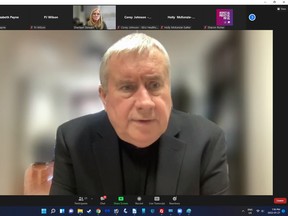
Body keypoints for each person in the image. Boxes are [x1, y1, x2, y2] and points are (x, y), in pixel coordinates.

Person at [50, 33, 230, 195]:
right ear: (105, 97)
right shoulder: (72, 140)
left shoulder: (207, 140)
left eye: (154, 85)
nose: (145, 103)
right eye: (127, 87)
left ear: (169, 90)